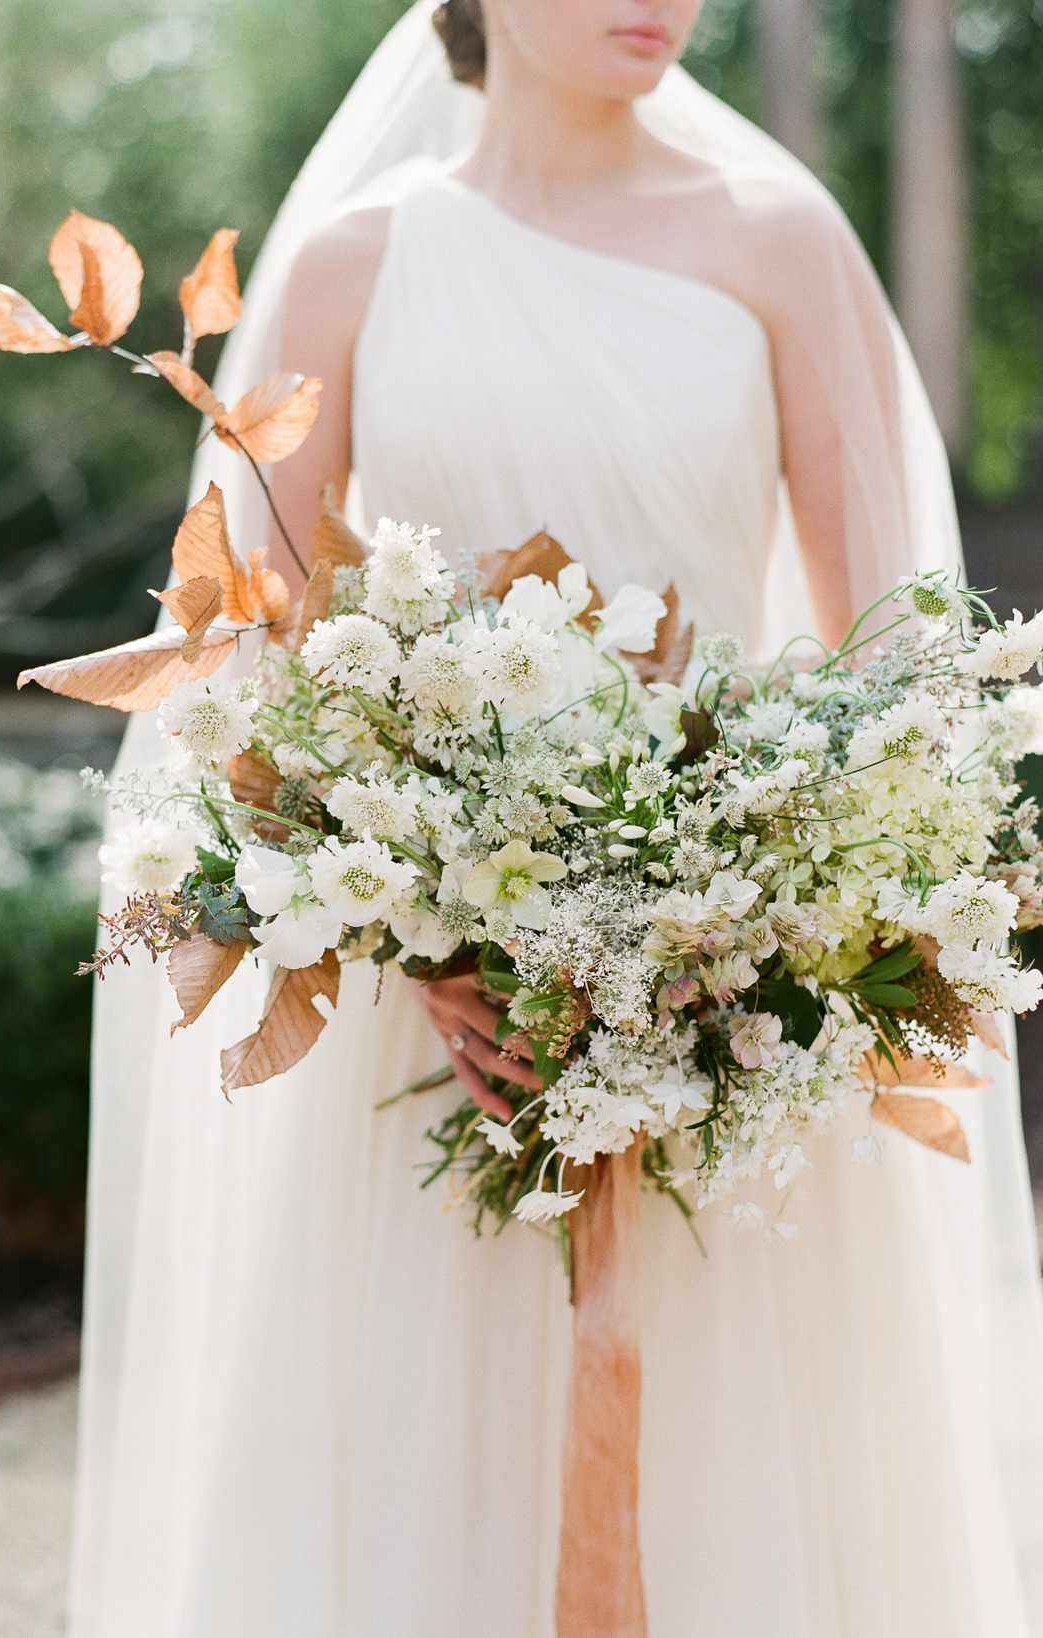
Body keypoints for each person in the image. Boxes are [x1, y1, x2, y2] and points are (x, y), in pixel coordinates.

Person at [67, 4, 1043, 1634]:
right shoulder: (351, 267)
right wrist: (420, 938)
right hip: (425, 1035)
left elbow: (904, 672)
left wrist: (762, 924)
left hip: (737, 1021)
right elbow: (237, 673)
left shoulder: (780, 241)